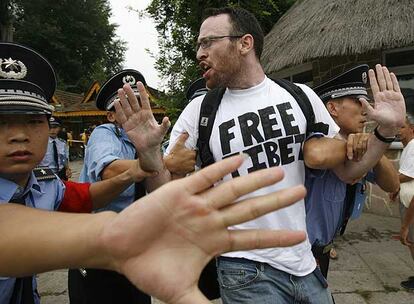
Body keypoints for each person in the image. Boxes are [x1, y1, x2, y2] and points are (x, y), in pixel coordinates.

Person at [112, 7, 405, 304]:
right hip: (243, 268)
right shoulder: (199, 113)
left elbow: (348, 174)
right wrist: (149, 155)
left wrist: (386, 132)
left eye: (208, 42)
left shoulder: (300, 96)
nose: (199, 53)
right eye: (198, 45)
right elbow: (164, 195)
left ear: (244, 43)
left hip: (305, 263)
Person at [0, 41, 161, 304]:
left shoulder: (45, 186)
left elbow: (85, 197)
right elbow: (107, 171)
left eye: (33, 121)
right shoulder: (103, 134)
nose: (19, 135)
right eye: (2, 121)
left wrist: (138, 170)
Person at [71, 69, 196, 304]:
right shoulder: (105, 133)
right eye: (125, 105)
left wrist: (174, 169)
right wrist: (164, 161)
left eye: (139, 102)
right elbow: (110, 169)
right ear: (110, 116)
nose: (134, 110)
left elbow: (160, 192)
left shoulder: (147, 140)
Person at [305, 64, 400, 279]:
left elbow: (392, 184)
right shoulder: (315, 141)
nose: (366, 109)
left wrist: (375, 143)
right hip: (301, 253)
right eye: (358, 101)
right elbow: (321, 158)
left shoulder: (359, 144)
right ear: (332, 108)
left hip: (323, 250)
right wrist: (372, 141)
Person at [389, 113, 414, 290]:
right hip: (407, 199)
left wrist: (391, 183)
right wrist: (396, 189)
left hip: (411, 203)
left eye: (402, 127)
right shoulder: (408, 147)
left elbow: (407, 175)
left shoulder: (413, 146)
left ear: (412, 129)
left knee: (412, 241)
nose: (398, 131)